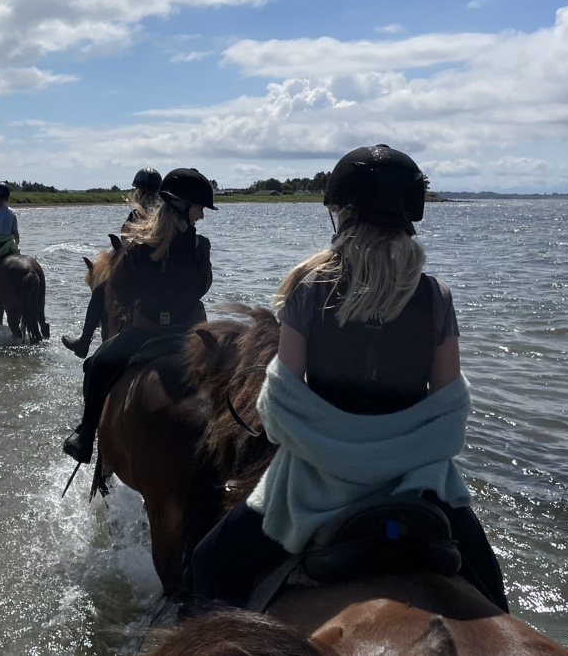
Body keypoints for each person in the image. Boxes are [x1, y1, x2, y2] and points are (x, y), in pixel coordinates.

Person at [190, 144, 509, 614]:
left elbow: (279, 404)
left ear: (342, 214)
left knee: (208, 564)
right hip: (415, 481)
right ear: (410, 216)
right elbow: (448, 409)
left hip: (312, 483)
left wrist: (321, 440)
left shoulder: (308, 286)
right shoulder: (435, 295)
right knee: (491, 588)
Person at [62, 167, 216, 464]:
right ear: (181, 206)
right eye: (199, 208)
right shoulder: (200, 246)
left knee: (97, 365)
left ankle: (85, 437)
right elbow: (203, 288)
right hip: (187, 334)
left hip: (146, 331)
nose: (202, 215)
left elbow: (120, 292)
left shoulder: (137, 247)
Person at [61, 167, 163, 358]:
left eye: (139, 190)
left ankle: (84, 342)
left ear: (139, 192)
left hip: (136, 277)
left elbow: (125, 248)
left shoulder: (136, 216)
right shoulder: (165, 216)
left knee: (100, 292)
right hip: (161, 278)